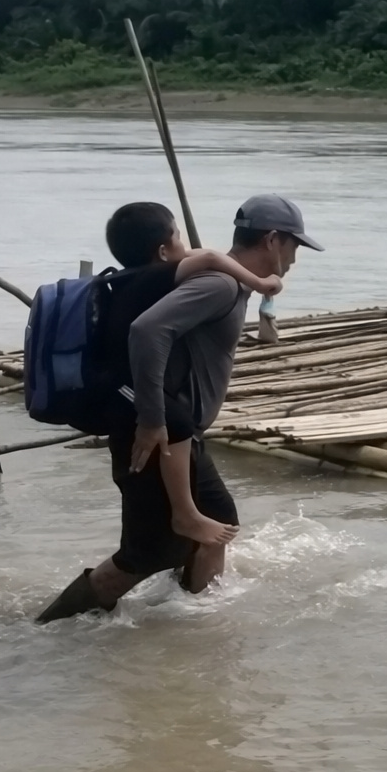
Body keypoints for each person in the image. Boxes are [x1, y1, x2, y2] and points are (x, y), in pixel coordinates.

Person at [36, 195, 322, 623]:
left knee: (218, 525)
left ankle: (191, 631)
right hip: (158, 433)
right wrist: (153, 419)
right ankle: (47, 630)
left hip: (181, 434)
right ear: (273, 240)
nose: (296, 258)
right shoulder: (219, 285)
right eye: (295, 246)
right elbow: (148, 330)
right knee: (147, 554)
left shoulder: (228, 282)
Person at [101, 201, 282, 547]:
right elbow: (212, 258)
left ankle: (192, 586)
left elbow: (203, 256)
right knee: (177, 422)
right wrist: (260, 283)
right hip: (124, 382)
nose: (187, 248)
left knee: (205, 523)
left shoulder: (139, 277)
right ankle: (184, 514)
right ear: (163, 250)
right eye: (179, 238)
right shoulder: (161, 275)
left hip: (125, 375)